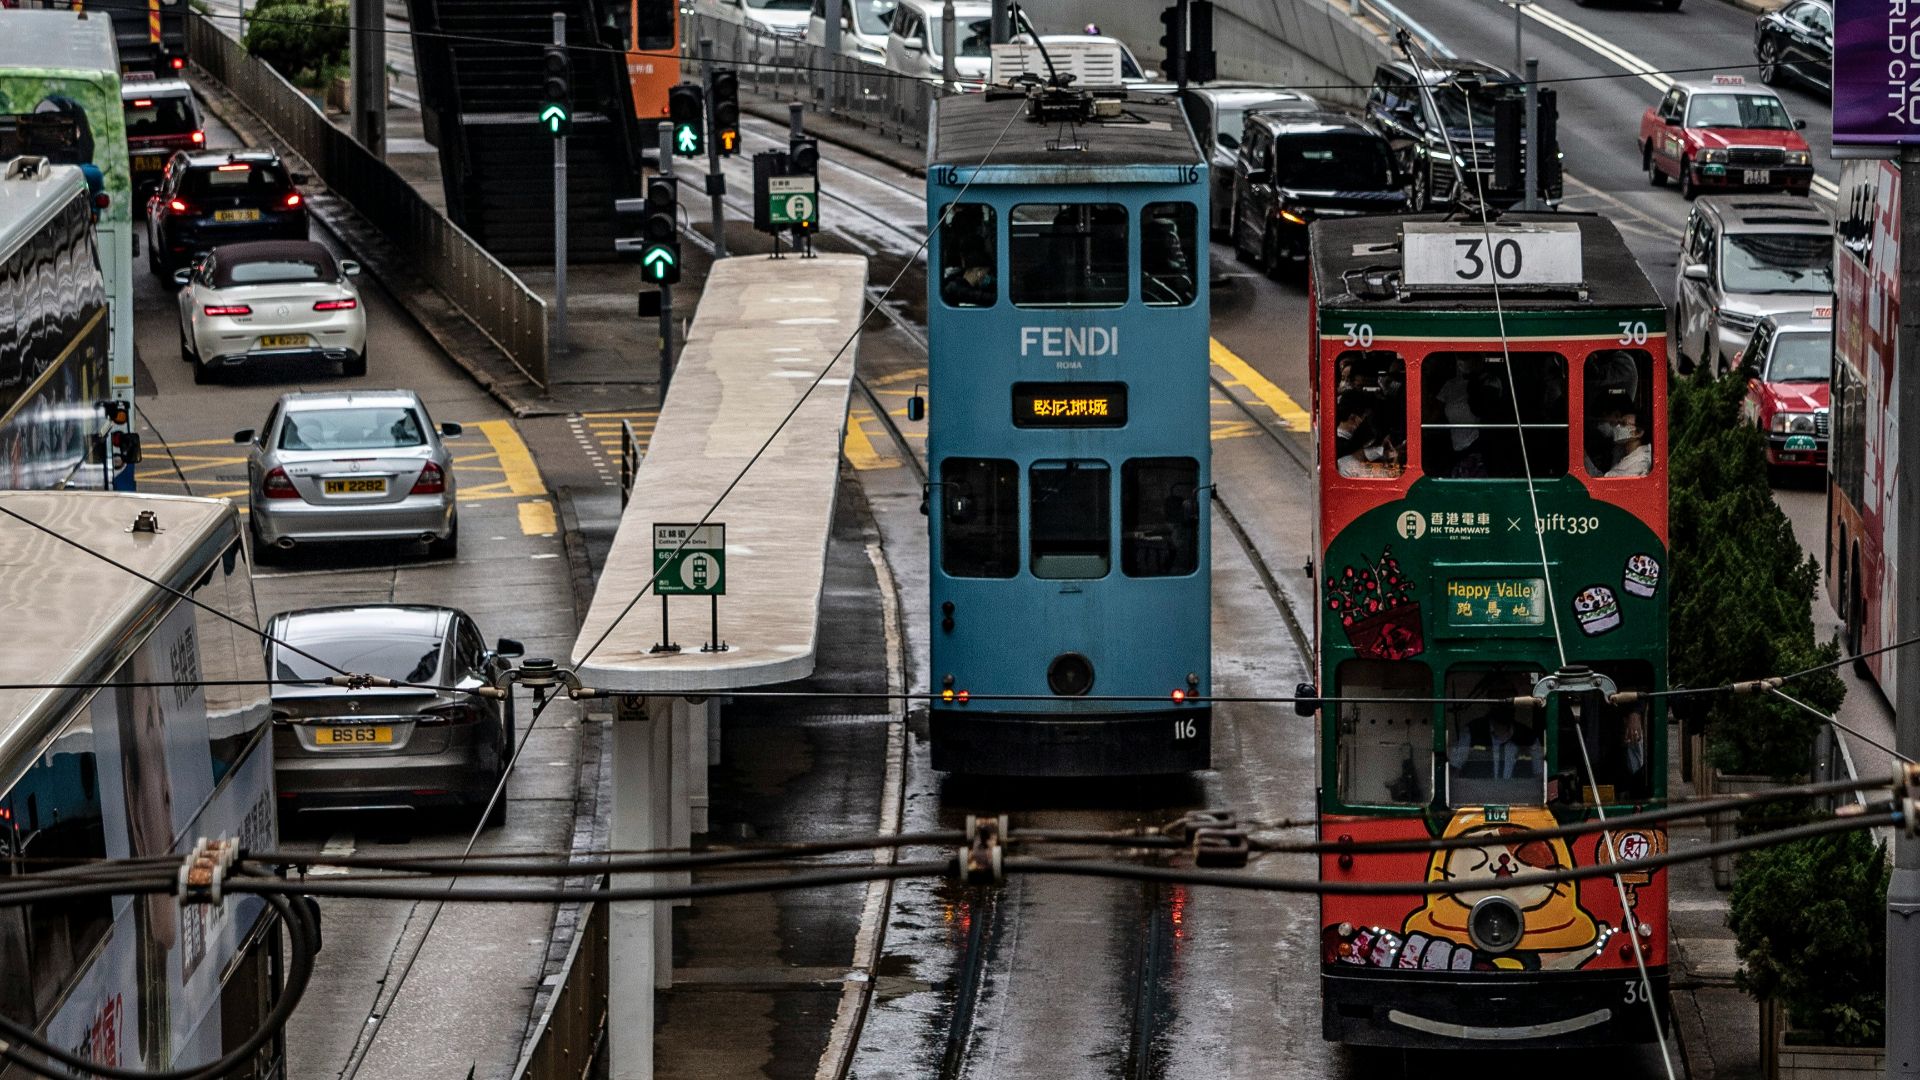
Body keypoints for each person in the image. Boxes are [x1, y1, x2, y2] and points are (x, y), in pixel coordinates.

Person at [1448, 703, 1538, 780]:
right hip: (1478, 798)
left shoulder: (1528, 737)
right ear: (1491, 703)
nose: (1504, 705)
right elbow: (1453, 773)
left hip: (1520, 798)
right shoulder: (1472, 732)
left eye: (1509, 700)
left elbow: (1540, 777)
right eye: (1499, 699)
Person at [1596, 406, 1651, 477]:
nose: (1617, 426)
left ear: (1639, 433)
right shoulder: (1621, 452)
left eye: (1623, 424)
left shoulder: (1641, 462)